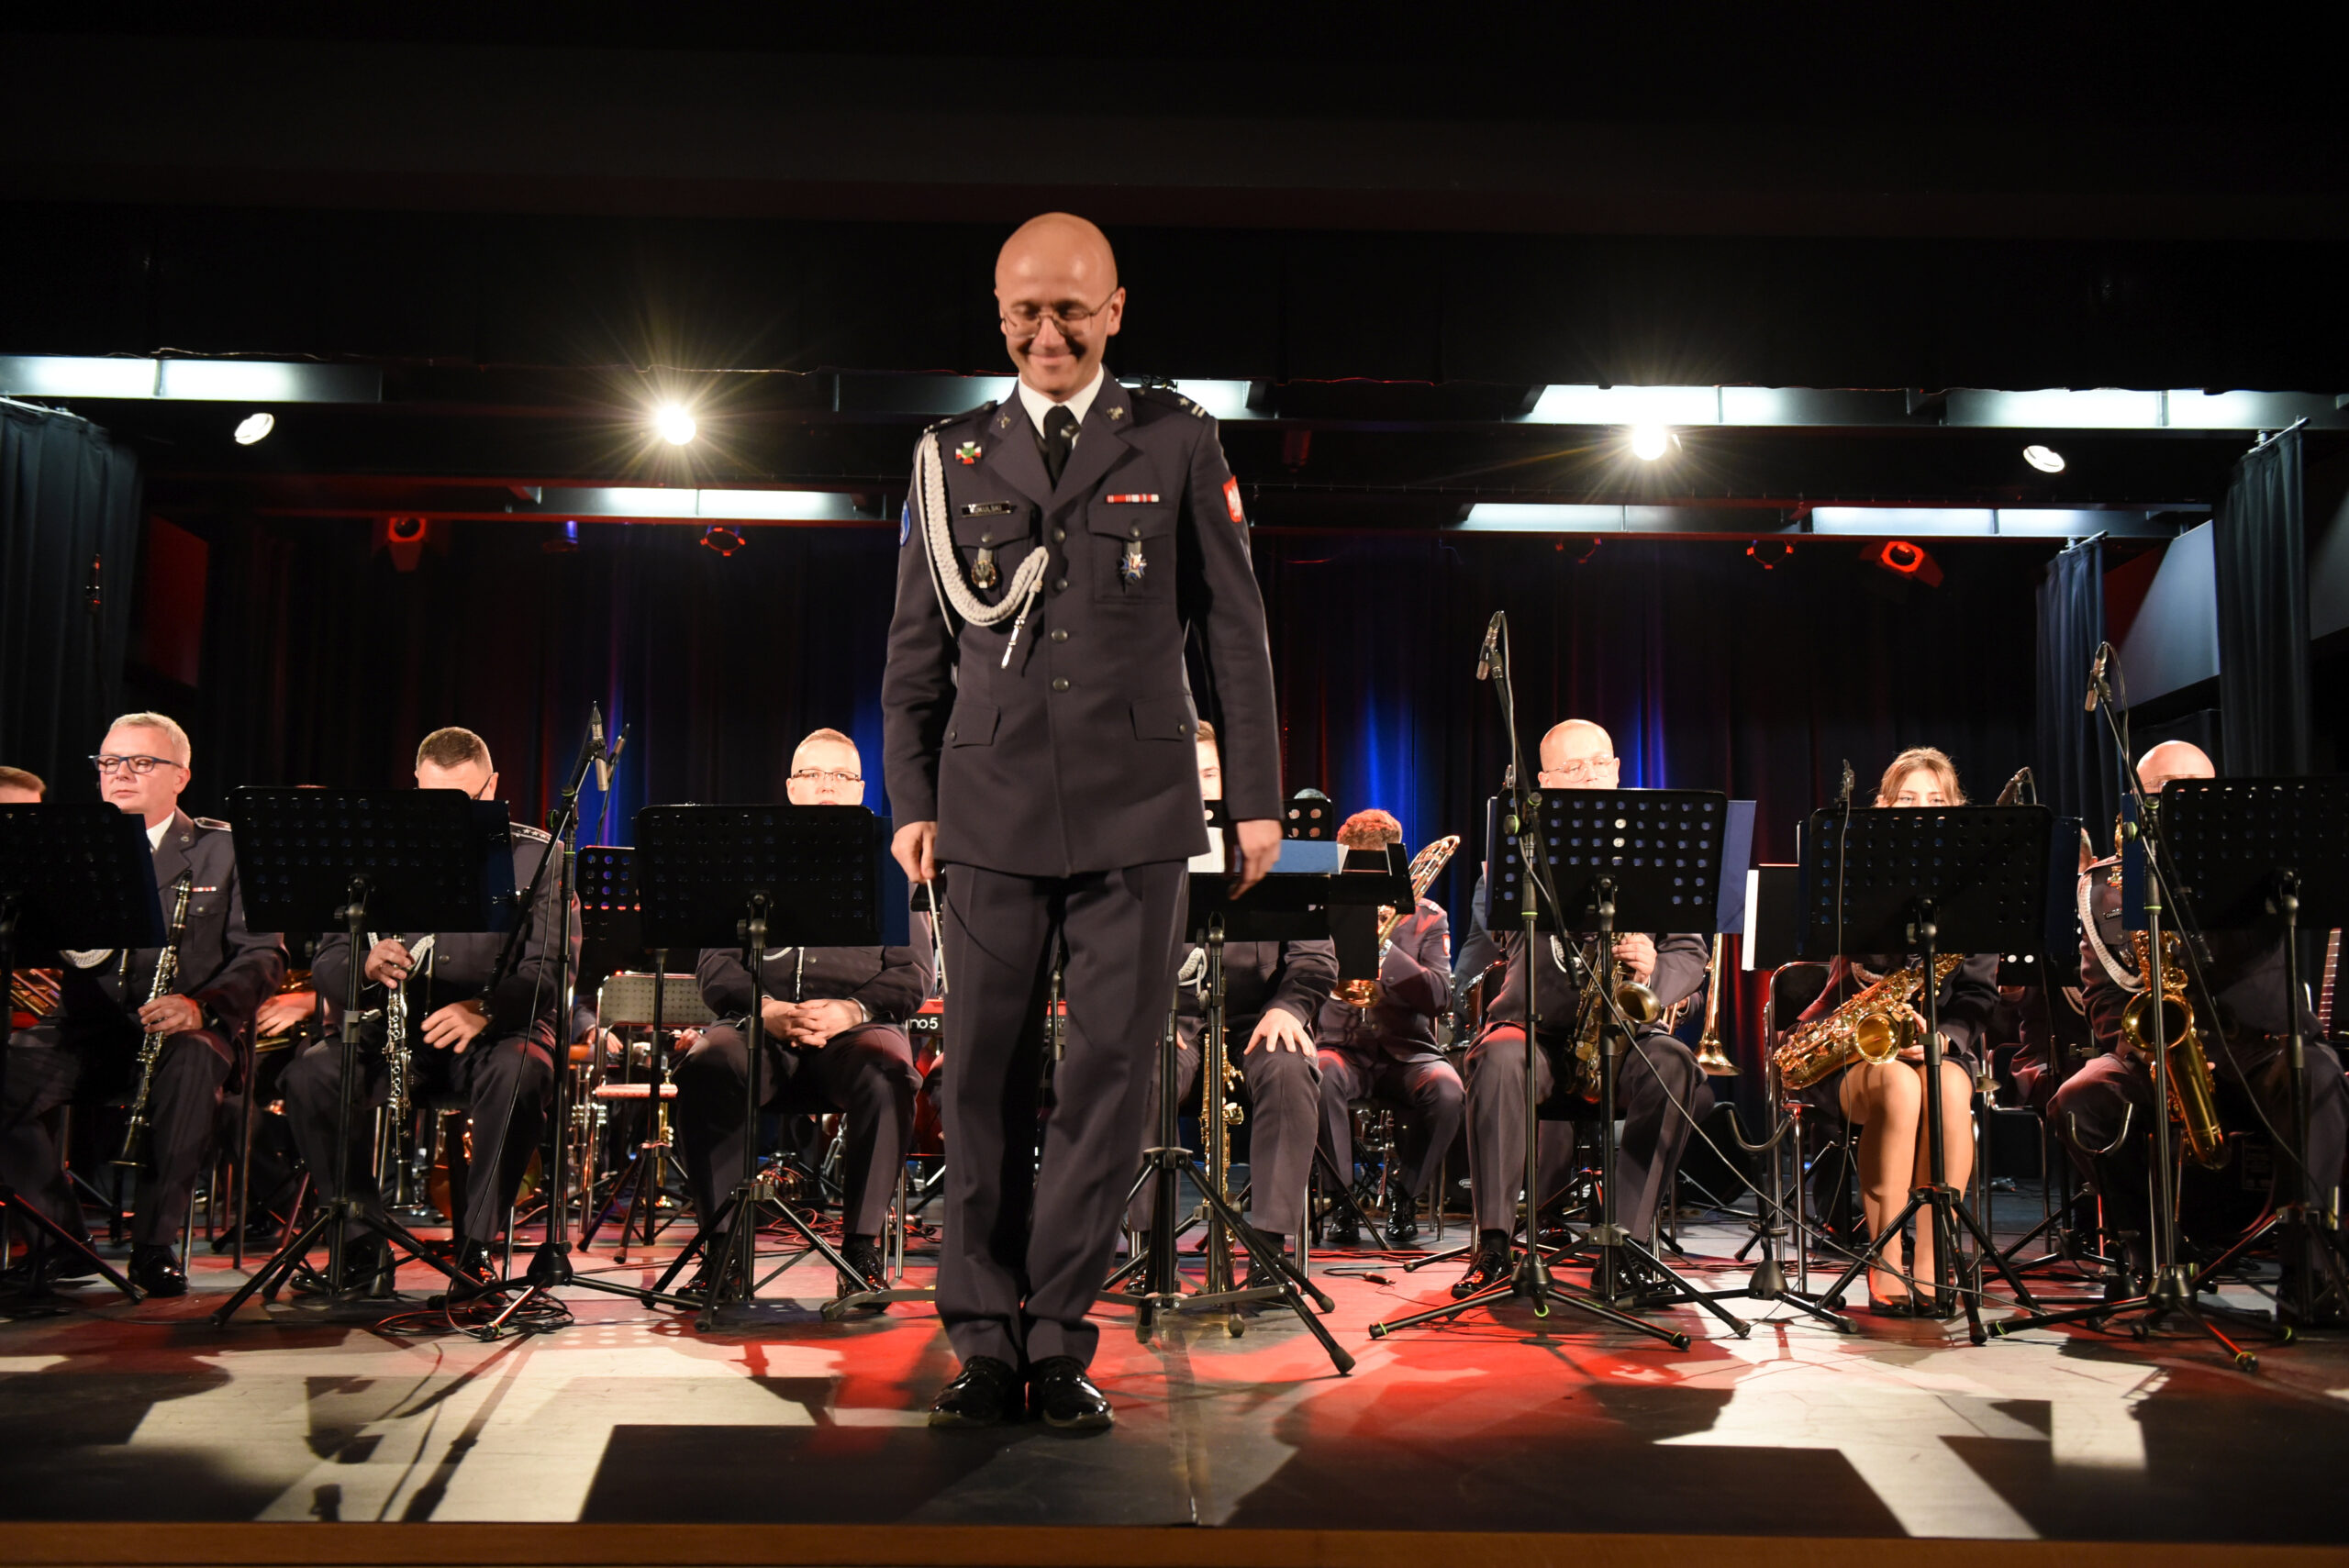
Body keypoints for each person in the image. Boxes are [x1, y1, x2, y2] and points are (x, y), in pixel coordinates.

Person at [882, 212, 1283, 1431]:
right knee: (981, 1080)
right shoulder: (947, 455)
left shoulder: (1177, 435)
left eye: (1070, 309)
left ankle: (1057, 1337)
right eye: (1025, 311)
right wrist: (911, 799)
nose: (1046, 332)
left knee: (1108, 1081)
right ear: (999, 315)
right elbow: (915, 652)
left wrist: (1254, 798)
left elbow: (1234, 628)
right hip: (988, 808)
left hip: (1138, 809)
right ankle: (981, 1337)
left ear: (1115, 311)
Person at [2058, 740, 2349, 1320]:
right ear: (2136, 800)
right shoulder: (2104, 886)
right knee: (2079, 1099)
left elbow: (2263, 973)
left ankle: (2311, 1274)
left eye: (2196, 788)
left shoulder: (2261, 866)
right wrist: (2157, 1054)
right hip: (2155, 1054)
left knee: (2318, 1075)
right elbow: (2104, 999)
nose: (2182, 800)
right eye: (2165, 790)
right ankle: (2151, 1254)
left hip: (2258, 1047)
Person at [0, 714, 284, 1295]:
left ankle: (154, 1246)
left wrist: (203, 1007)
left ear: (180, 777)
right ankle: (63, 1242)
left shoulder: (226, 850)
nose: (120, 774)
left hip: (188, 1029)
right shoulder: (69, 848)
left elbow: (263, 955)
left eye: (141, 762)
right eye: (109, 762)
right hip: (90, 1031)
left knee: (192, 1060)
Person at [284, 728, 571, 1292]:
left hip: (494, 1034)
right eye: (433, 800)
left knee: (521, 1072)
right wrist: (365, 966)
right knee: (311, 1075)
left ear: (493, 786)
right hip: (391, 1031)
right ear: (415, 787)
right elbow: (330, 959)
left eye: (465, 799)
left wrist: (485, 1008)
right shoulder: (372, 849)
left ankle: (475, 1247)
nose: (449, 815)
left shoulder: (539, 856)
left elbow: (552, 968)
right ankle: (362, 1246)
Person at [1453, 719, 1713, 1298]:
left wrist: (1651, 967)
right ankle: (1493, 1242)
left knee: (1675, 1066)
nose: (1591, 776)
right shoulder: (1519, 847)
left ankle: (1627, 1245)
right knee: (1497, 1058)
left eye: (1599, 764)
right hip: (1535, 1031)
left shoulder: (1663, 845)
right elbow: (1500, 938)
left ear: (1617, 769)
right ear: (1545, 782)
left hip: (1625, 1036)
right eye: (1573, 769)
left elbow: (1690, 953)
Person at [672, 728, 931, 1297]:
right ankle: (723, 1253)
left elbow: (915, 973)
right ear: (791, 788)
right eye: (813, 776)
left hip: (856, 1029)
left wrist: (851, 1009)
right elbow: (714, 966)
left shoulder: (892, 864)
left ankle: (860, 1252)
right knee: (706, 1064)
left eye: (840, 777)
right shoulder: (745, 859)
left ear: (860, 789)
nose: (826, 788)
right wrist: (765, 1009)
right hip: (759, 1025)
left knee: (890, 1072)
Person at [1787, 746, 1998, 1315]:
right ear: (1883, 808)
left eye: (1935, 799)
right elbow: (1848, 972)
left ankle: (1932, 1261)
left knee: (1948, 1088)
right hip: (1857, 1051)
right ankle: (1884, 1262)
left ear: (1955, 810)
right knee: (1901, 1088)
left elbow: (1979, 994)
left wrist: (1941, 1039)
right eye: (1908, 799)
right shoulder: (1852, 873)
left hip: (1938, 1046)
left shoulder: (1978, 890)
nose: (1922, 809)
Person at [1128, 721, 1336, 1278]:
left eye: (1210, 774)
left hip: (1256, 1019)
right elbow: (1108, 952)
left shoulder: (1287, 850)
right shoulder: (1135, 852)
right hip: (1171, 1020)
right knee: (1145, 1072)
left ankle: (1269, 1249)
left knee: (1291, 1067)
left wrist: (1289, 1008)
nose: (1201, 788)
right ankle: (1151, 1251)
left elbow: (1316, 958)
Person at [1313, 808, 1462, 1248]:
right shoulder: (1322, 911)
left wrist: (1386, 951)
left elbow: (1440, 996)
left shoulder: (1428, 916)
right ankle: (1341, 1200)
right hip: (1342, 1048)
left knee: (1448, 1090)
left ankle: (1405, 1196)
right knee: (1318, 1075)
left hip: (1406, 1053)